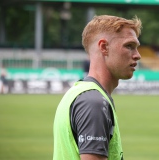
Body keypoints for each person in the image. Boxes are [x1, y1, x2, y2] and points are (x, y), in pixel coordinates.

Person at [53, 15, 142, 160]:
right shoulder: (93, 102)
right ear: (104, 47)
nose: (137, 55)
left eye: (136, 48)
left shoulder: (78, 92)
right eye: (129, 46)